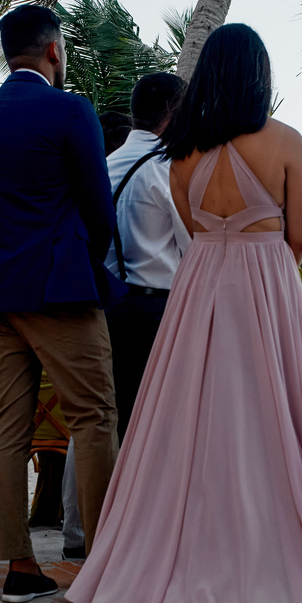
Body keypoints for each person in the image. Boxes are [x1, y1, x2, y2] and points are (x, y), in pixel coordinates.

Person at [65, 24, 302, 603]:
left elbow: (193, 230)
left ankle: (176, 562)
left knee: (188, 424)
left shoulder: (180, 154)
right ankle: (273, 559)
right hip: (266, 286)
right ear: (259, 76)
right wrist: (262, 266)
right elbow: (297, 238)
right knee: (272, 422)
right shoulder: (286, 142)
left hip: (199, 289)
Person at [0, 5, 123, 603]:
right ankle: (105, 559)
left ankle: (20, 569)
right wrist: (83, 258)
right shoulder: (71, 109)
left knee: (8, 425)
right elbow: (99, 207)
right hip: (59, 285)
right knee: (94, 416)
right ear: (54, 51)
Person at [104, 72, 189, 441]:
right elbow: (192, 250)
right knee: (157, 429)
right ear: (173, 113)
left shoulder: (104, 165)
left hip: (107, 309)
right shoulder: (167, 169)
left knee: (114, 420)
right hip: (155, 312)